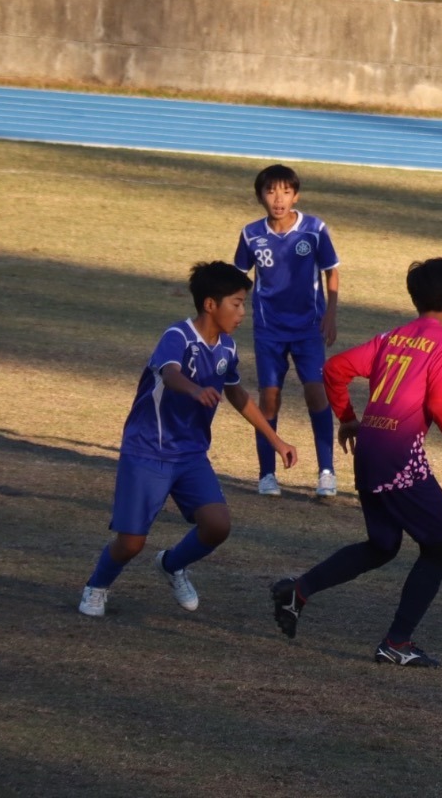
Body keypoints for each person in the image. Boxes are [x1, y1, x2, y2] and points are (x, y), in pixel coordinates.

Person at [270, 258, 442, 667]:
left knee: (383, 545)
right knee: (439, 547)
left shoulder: (393, 336)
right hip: (398, 455)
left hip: (369, 447)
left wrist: (349, 419)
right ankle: (397, 643)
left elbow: (334, 368)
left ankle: (298, 591)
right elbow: (441, 406)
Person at [78, 262, 297, 618]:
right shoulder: (177, 336)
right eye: (237, 303)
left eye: (244, 304)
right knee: (131, 542)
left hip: (191, 454)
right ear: (210, 304)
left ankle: (172, 564)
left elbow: (237, 394)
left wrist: (276, 439)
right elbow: (170, 373)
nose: (242, 312)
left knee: (217, 525)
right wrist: (195, 390)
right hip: (148, 450)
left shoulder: (227, 348)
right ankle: (97, 586)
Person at [233, 164, 342, 498]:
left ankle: (326, 472)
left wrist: (331, 313)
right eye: (270, 192)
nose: (278, 199)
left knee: (316, 392)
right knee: (269, 398)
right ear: (260, 196)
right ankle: (267, 474)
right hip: (269, 330)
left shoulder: (314, 229)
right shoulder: (251, 234)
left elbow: (331, 271)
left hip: (308, 328)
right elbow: (237, 278)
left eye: (285, 192)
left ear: (296, 195)